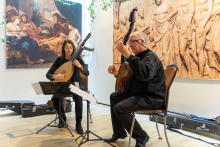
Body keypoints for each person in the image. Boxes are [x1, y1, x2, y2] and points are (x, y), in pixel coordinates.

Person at [104, 31, 166, 147]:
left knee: (120, 108)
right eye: (129, 42)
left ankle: (141, 137)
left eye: (132, 41)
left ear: (142, 42)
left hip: (151, 98)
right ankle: (119, 132)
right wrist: (117, 74)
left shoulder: (150, 57)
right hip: (140, 95)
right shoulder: (138, 58)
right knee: (114, 97)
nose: (130, 45)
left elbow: (144, 74)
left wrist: (128, 55)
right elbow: (135, 78)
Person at [46, 40, 89, 134]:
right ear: (63, 49)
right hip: (64, 86)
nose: (69, 49)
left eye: (71, 47)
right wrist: (55, 76)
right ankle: (62, 118)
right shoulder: (59, 60)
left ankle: (78, 124)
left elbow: (86, 73)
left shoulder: (78, 59)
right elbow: (48, 74)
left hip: (76, 85)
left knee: (78, 96)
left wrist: (80, 66)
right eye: (67, 47)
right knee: (55, 98)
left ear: (73, 49)